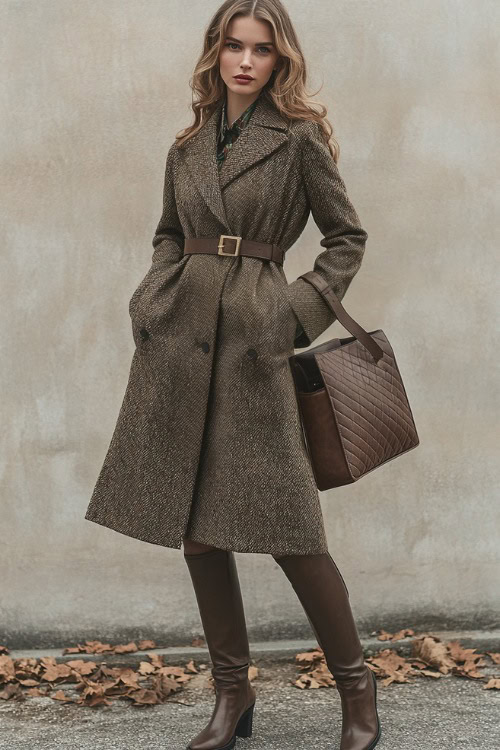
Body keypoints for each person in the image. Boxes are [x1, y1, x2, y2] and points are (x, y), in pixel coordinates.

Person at [84, 1, 381, 748]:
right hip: (180, 345)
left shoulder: (298, 140)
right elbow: (166, 234)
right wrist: (151, 300)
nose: (246, 61)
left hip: (254, 347)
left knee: (291, 528)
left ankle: (357, 690)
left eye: (262, 50)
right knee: (199, 533)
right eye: (234, 46)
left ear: (280, 60)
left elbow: (346, 237)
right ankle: (231, 693)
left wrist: (290, 315)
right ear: (215, 52)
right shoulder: (186, 146)